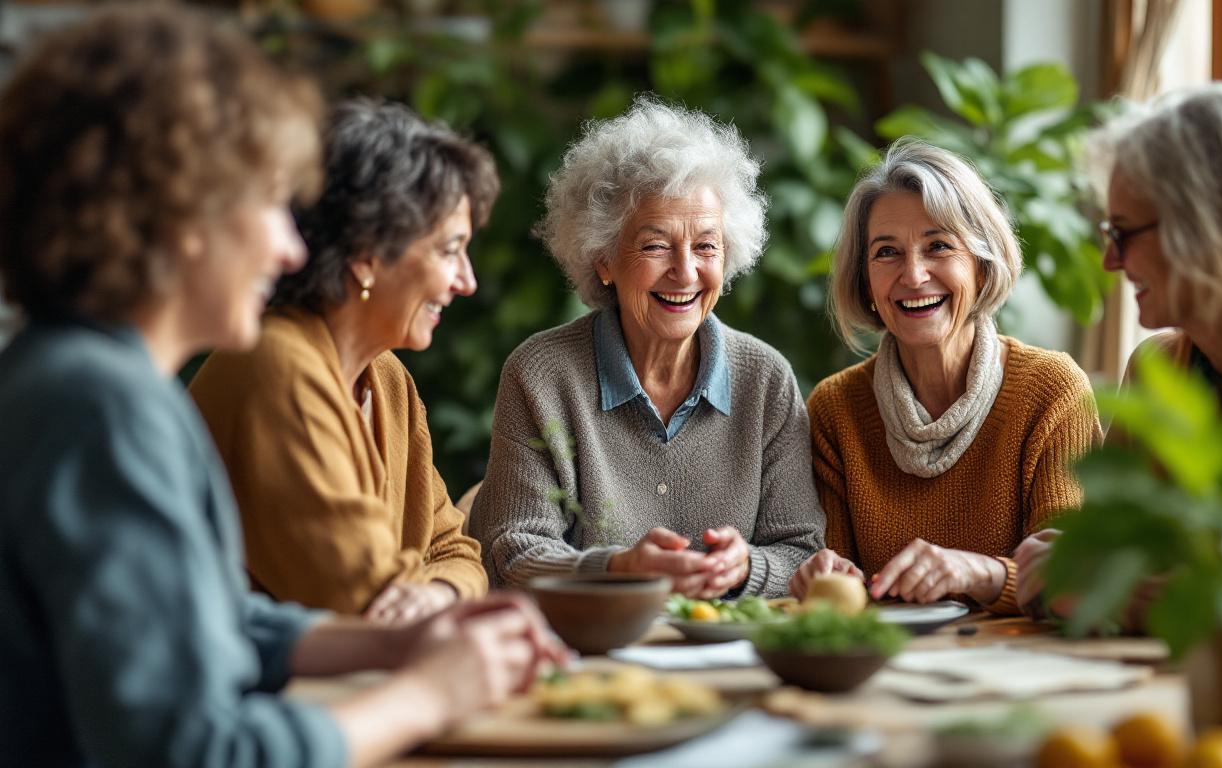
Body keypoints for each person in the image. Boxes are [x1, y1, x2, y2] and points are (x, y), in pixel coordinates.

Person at [0, 8, 561, 766]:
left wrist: (402, 638)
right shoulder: (99, 406)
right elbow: (191, 752)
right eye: (269, 202)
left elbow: (214, 623)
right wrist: (429, 693)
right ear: (178, 210)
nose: (291, 245)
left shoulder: (89, 378)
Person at [468, 97, 824, 598]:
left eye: (706, 245)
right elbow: (513, 549)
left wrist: (745, 570)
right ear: (604, 260)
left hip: (725, 650)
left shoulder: (765, 379)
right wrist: (618, 568)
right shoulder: (542, 374)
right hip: (587, 650)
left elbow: (803, 551)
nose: (685, 272)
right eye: (655, 246)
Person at [1014, 84, 1222, 613]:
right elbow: (1106, 552)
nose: (1109, 262)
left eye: (1123, 233)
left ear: (1209, 226)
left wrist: (1102, 588)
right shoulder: (1158, 366)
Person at [190, 99, 491, 624]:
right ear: (368, 255)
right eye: (449, 250)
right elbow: (363, 598)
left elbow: (458, 551)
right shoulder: (276, 367)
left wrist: (441, 591)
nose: (466, 281)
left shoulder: (387, 377)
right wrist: (441, 588)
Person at [790, 140, 1102, 614]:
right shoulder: (836, 408)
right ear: (865, 282)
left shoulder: (1052, 390)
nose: (913, 275)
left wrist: (982, 573)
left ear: (980, 264)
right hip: (884, 669)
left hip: (1023, 667)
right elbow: (836, 592)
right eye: (887, 252)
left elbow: (1077, 576)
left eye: (938, 246)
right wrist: (824, 573)